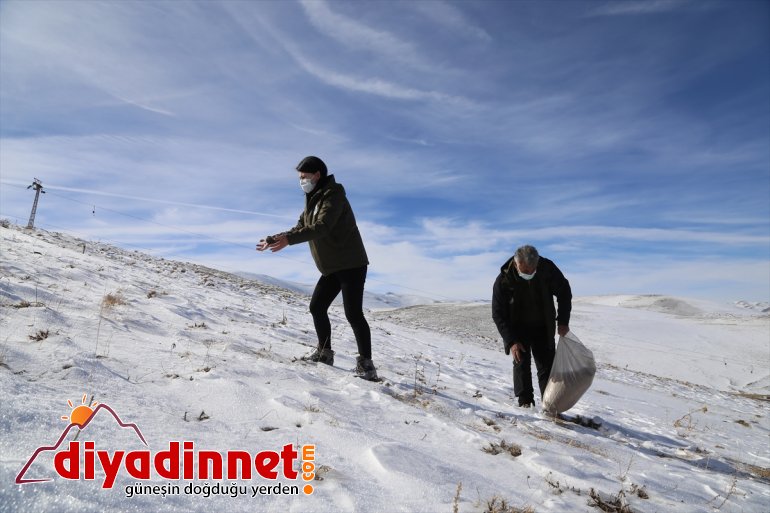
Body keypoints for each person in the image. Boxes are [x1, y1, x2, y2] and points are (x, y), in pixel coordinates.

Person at [256, 156, 378, 381]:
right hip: (331, 266)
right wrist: (274, 238)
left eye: (304, 177)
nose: (301, 181)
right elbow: (301, 226)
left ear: (317, 175)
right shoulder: (312, 199)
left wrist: (289, 240)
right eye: (300, 178)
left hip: (351, 263)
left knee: (353, 313)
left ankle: (366, 366)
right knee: (317, 307)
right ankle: (324, 353)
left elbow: (321, 227)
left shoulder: (334, 194)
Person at [492, 245, 571, 408]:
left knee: (547, 367)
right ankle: (525, 403)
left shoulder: (546, 269)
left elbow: (564, 291)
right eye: (525, 270)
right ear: (516, 264)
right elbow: (498, 313)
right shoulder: (504, 280)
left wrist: (563, 321)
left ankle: (551, 405)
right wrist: (511, 341)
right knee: (521, 363)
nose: (528, 273)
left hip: (543, 327)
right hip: (517, 328)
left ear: (537, 264)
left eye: (532, 270)